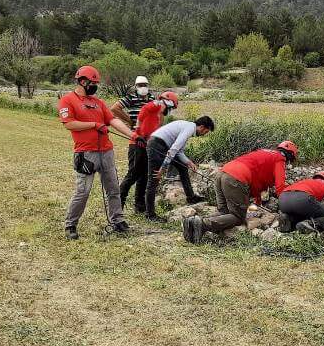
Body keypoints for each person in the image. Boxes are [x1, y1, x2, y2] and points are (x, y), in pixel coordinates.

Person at [57, 65, 136, 239]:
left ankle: (118, 220)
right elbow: (69, 123)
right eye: (93, 83)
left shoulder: (98, 102)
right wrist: (94, 125)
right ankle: (71, 225)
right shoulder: (68, 100)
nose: (95, 86)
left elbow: (113, 120)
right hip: (86, 154)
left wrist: (133, 135)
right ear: (83, 81)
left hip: (106, 152)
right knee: (82, 191)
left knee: (113, 188)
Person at [184, 141, 298, 244]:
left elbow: (257, 176)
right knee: (238, 216)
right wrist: (292, 197)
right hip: (236, 177)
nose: (287, 165)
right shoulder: (280, 159)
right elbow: (280, 188)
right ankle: (202, 225)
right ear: (289, 155)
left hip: (223, 172)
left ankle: (193, 222)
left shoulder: (265, 152)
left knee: (224, 212)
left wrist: (258, 199)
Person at [144, 116, 216, 220]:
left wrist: (188, 162)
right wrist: (163, 168)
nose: (205, 134)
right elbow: (174, 149)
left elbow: (179, 151)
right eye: (206, 131)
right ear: (202, 127)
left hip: (162, 145)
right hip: (156, 145)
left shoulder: (188, 127)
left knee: (183, 167)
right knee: (154, 178)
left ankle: (191, 197)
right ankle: (150, 214)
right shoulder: (190, 128)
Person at [120, 90, 179, 214]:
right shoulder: (155, 105)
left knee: (144, 176)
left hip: (148, 146)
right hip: (137, 144)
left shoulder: (159, 114)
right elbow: (144, 110)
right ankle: (117, 206)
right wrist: (137, 129)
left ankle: (139, 206)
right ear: (168, 102)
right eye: (172, 106)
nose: (171, 110)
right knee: (133, 175)